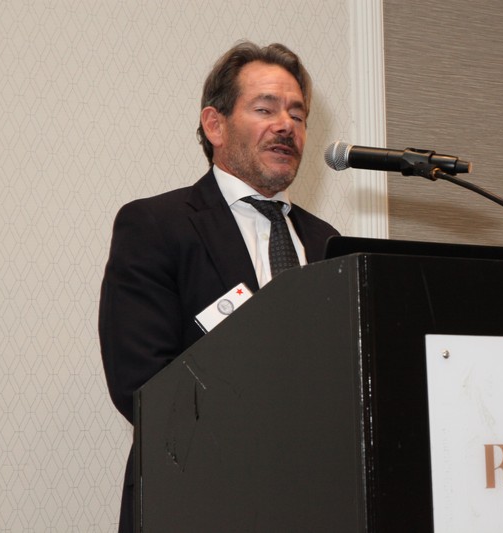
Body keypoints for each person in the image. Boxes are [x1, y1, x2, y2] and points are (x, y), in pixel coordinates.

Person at [98, 40, 339, 533]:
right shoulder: (157, 226)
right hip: (196, 502)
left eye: (297, 114)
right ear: (215, 125)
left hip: (313, 502)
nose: (286, 125)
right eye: (265, 109)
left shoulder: (327, 242)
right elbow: (143, 387)